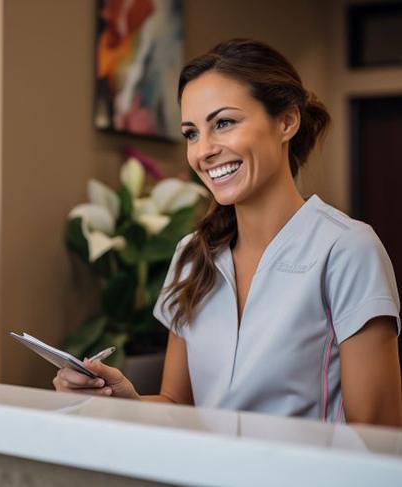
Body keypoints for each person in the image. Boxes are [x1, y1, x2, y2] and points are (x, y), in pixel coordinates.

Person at [53, 39, 402, 426]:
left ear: (287, 121)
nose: (203, 151)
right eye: (191, 133)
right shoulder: (191, 255)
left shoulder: (347, 249)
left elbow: (376, 435)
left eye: (224, 123)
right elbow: (179, 405)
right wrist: (121, 400)